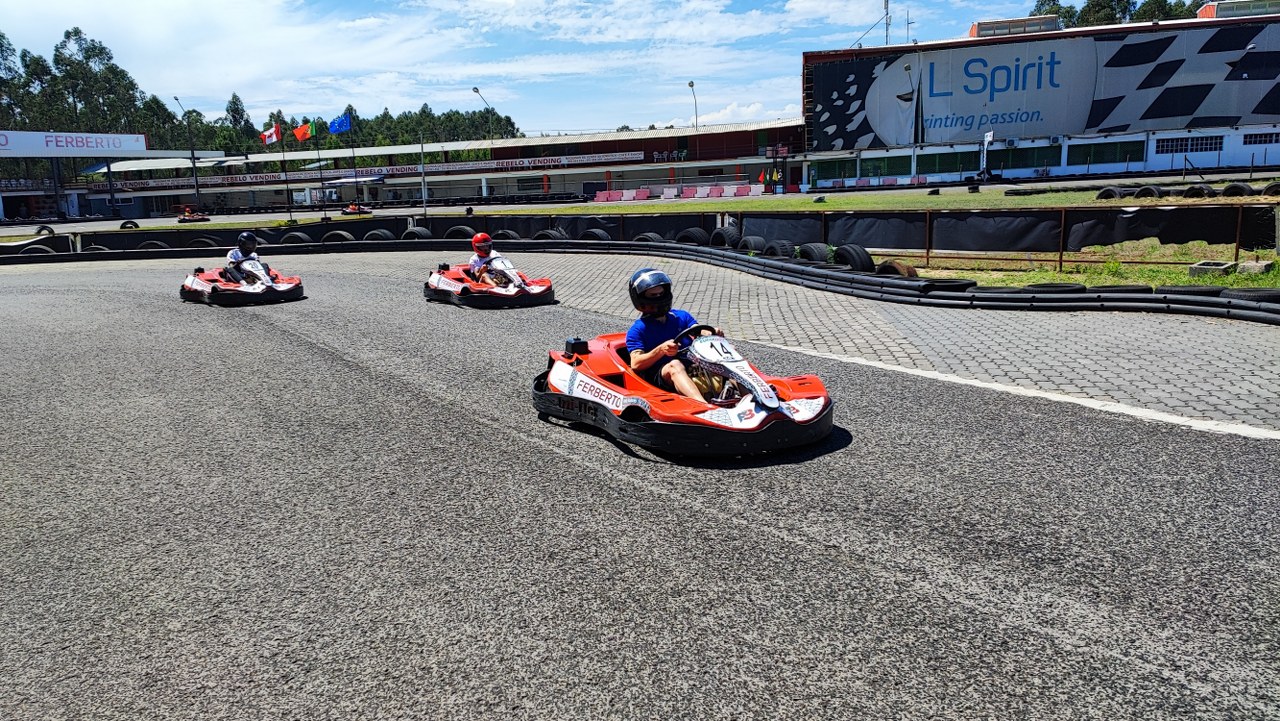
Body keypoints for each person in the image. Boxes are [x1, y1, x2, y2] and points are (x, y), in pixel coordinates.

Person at [624, 268, 720, 401]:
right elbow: (636, 363)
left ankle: (747, 394)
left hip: (691, 366)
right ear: (640, 299)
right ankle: (703, 404)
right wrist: (661, 350)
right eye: (653, 295)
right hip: (661, 376)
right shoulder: (637, 330)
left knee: (725, 353)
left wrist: (711, 332)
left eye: (661, 294)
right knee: (675, 364)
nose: (659, 298)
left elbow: (697, 329)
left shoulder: (681, 316)